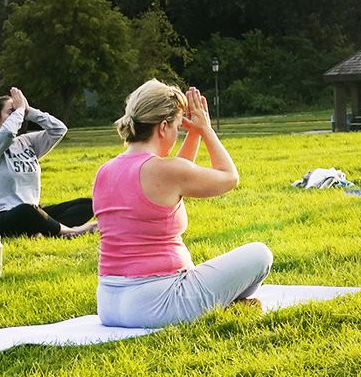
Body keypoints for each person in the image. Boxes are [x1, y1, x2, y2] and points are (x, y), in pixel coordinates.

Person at [93, 81, 272, 328]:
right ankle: (226, 303)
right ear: (163, 127)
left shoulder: (105, 171)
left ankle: (223, 304)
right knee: (260, 254)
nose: (177, 134)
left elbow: (177, 177)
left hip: (109, 305)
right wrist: (206, 130)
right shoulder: (164, 171)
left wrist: (193, 133)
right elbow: (229, 178)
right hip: (160, 303)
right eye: (177, 127)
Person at [0, 87, 96, 238]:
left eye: (17, 111)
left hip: (33, 213)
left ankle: (44, 231)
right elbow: (8, 132)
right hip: (0, 220)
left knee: (87, 205)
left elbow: (59, 129)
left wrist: (29, 111)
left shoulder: (27, 141)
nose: (17, 115)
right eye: (11, 112)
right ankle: (70, 232)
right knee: (27, 210)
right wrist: (20, 110)